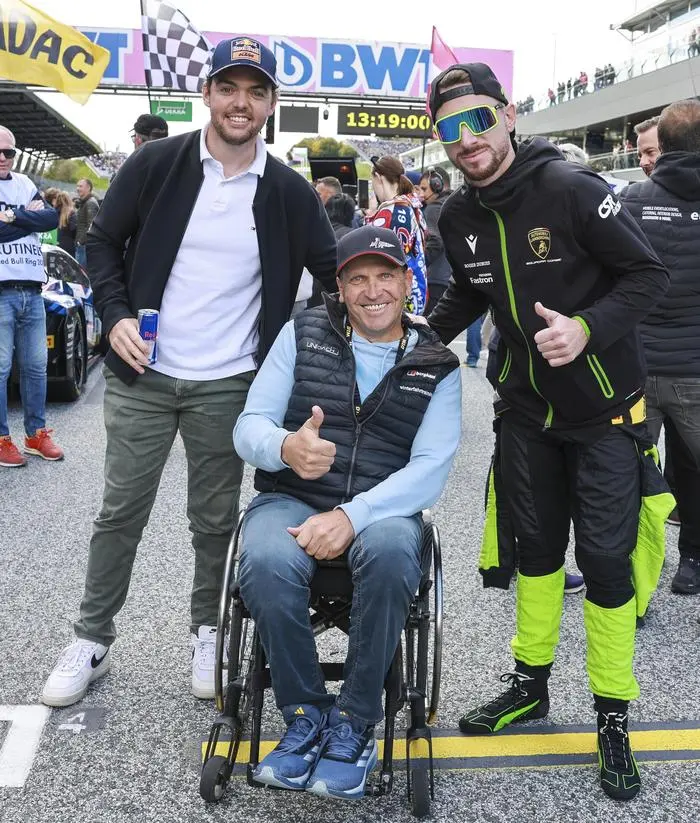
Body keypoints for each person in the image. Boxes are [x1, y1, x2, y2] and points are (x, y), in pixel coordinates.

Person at [41, 36, 338, 708]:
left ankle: (207, 629)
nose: (241, 102)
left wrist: (314, 351)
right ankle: (91, 636)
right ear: (206, 94)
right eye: (229, 88)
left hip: (231, 383)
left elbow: (333, 276)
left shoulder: (289, 192)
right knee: (121, 511)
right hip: (144, 373)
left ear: (271, 105)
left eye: (256, 91)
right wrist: (113, 312)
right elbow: (101, 241)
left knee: (212, 521)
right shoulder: (157, 164)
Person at [426, 61, 671, 801]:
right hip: (526, 415)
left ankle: (612, 717)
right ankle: (529, 685)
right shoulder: (458, 216)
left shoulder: (569, 187)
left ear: (505, 115)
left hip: (605, 417)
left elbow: (648, 275)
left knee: (603, 564)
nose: (466, 140)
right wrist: (411, 343)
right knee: (535, 556)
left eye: (477, 120)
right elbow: (468, 295)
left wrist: (588, 329)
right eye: (449, 129)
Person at [233, 225, 461, 799]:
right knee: (261, 559)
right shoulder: (302, 332)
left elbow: (430, 468)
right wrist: (285, 446)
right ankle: (306, 715)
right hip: (293, 497)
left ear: (408, 282)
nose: (373, 290)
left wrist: (353, 517)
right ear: (339, 286)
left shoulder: (438, 364)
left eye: (386, 276)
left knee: (388, 555)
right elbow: (249, 425)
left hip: (384, 510)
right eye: (357, 279)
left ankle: (355, 722)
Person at [621, 99, 700, 597]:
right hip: (695, 369)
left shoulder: (630, 200)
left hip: (636, 366)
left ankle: (634, 584)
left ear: (662, 147)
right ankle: (691, 560)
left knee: (632, 475)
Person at [0, 126, 63, 468]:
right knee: (0, 369)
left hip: (31, 290)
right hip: (0, 292)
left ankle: (35, 435)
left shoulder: (24, 183)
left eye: (8, 152)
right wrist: (28, 220)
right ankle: (1, 439)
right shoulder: (26, 191)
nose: (3, 158)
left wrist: (12, 216)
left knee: (37, 368)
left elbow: (51, 217)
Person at [366, 155, 427, 314]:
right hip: (413, 290)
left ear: (379, 178)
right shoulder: (411, 205)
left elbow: (372, 254)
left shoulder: (390, 211)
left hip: (394, 297)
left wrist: (371, 215)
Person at [418, 167, 453, 316]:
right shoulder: (454, 204)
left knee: (428, 333)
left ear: (437, 185)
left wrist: (417, 265)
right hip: (449, 278)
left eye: (425, 188)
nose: (422, 194)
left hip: (435, 279)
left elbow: (435, 243)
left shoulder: (433, 209)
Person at [74, 178, 99, 269]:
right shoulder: (85, 202)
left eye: (80, 186)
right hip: (81, 244)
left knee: (82, 274)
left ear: (88, 188)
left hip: (84, 246)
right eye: (77, 186)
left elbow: (91, 225)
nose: (77, 188)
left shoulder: (90, 203)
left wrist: (81, 241)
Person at [45, 189, 77, 257]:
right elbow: (74, 229)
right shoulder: (71, 213)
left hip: (55, 243)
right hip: (68, 244)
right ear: (68, 200)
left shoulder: (53, 212)